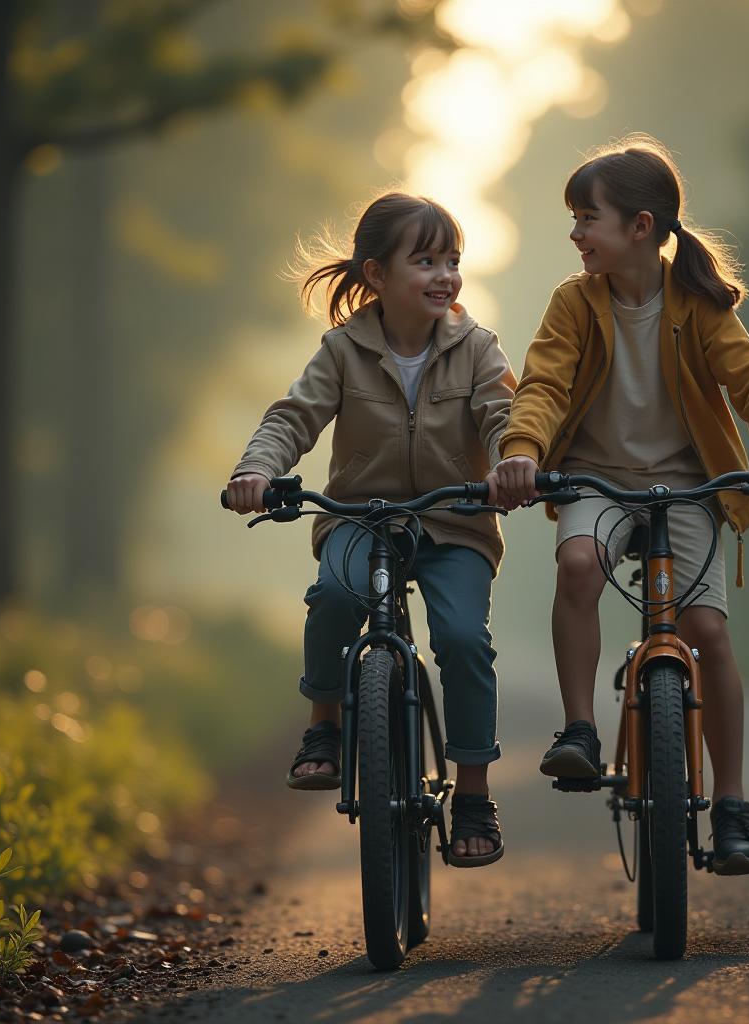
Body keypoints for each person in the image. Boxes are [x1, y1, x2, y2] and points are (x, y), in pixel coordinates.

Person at [493, 135, 749, 875]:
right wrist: (523, 453)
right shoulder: (574, 302)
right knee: (578, 565)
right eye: (574, 219)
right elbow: (543, 383)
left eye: (587, 217)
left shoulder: (698, 305)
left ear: (640, 227)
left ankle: (730, 803)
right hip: (596, 480)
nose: (575, 233)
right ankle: (579, 729)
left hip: (688, 484)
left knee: (707, 629)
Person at [226, 193, 516, 867]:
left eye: (453, 260)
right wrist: (255, 471)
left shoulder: (477, 348)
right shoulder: (342, 350)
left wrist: (515, 465)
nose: (445, 275)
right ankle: (323, 728)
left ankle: (472, 794)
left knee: (465, 641)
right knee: (333, 597)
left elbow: (506, 416)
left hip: (454, 522)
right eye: (425, 260)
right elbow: (292, 418)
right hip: (363, 516)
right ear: (377, 275)